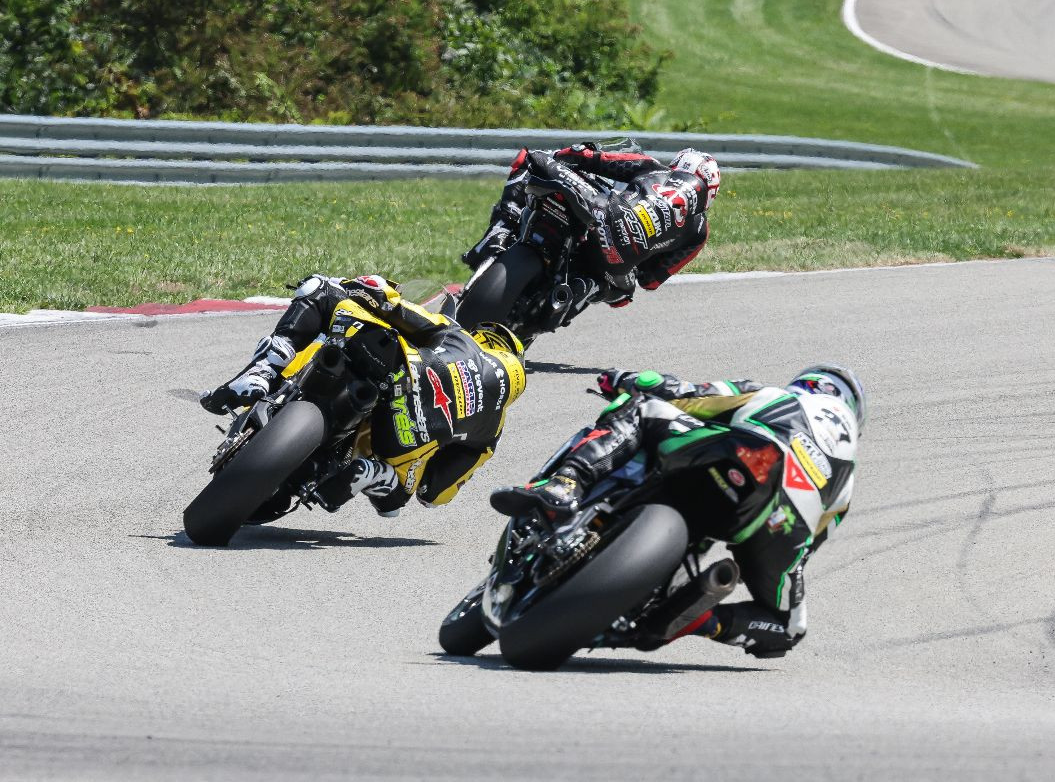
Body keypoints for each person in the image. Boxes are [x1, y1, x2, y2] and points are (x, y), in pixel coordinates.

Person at [490, 364, 864, 659]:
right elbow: (810, 544)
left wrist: (630, 380)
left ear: (811, 384)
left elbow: (687, 394)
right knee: (788, 627)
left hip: (749, 452)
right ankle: (697, 618)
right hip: (784, 520)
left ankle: (566, 483)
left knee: (642, 408)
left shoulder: (777, 395)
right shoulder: (848, 482)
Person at [201, 274, 526, 516]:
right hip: (405, 434)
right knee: (397, 498)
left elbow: (392, 304)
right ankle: (370, 475)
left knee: (319, 289)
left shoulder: (458, 336)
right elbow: (434, 493)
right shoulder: (491, 432)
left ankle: (265, 369)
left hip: (404, 369)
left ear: (486, 341)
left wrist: (364, 288)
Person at [463, 139, 720, 309]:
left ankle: (500, 229)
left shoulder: (654, 168)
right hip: (620, 261)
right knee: (621, 295)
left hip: (605, 212)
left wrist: (566, 155)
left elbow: (594, 158)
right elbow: (650, 281)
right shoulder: (699, 231)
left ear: (681, 164)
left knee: (529, 158)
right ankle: (576, 292)